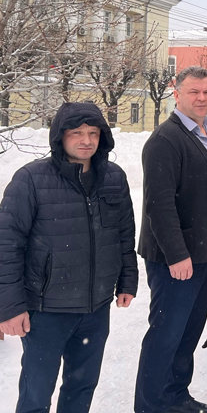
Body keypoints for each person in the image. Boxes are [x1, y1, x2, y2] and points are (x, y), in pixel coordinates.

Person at [0, 102, 138, 413]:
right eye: (77, 133)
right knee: (36, 394)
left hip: (95, 308)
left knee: (82, 387)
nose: (86, 140)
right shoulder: (31, 179)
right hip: (46, 310)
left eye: (93, 133)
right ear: (60, 136)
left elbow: (123, 234)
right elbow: (7, 244)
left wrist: (127, 280)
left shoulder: (113, 177)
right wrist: (10, 307)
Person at [135, 66, 207, 413]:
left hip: (203, 250)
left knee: (188, 331)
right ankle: (151, 406)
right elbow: (159, 205)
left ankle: (176, 397)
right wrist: (177, 254)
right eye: (194, 92)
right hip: (176, 258)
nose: (202, 98)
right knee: (166, 333)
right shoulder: (166, 140)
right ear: (177, 94)